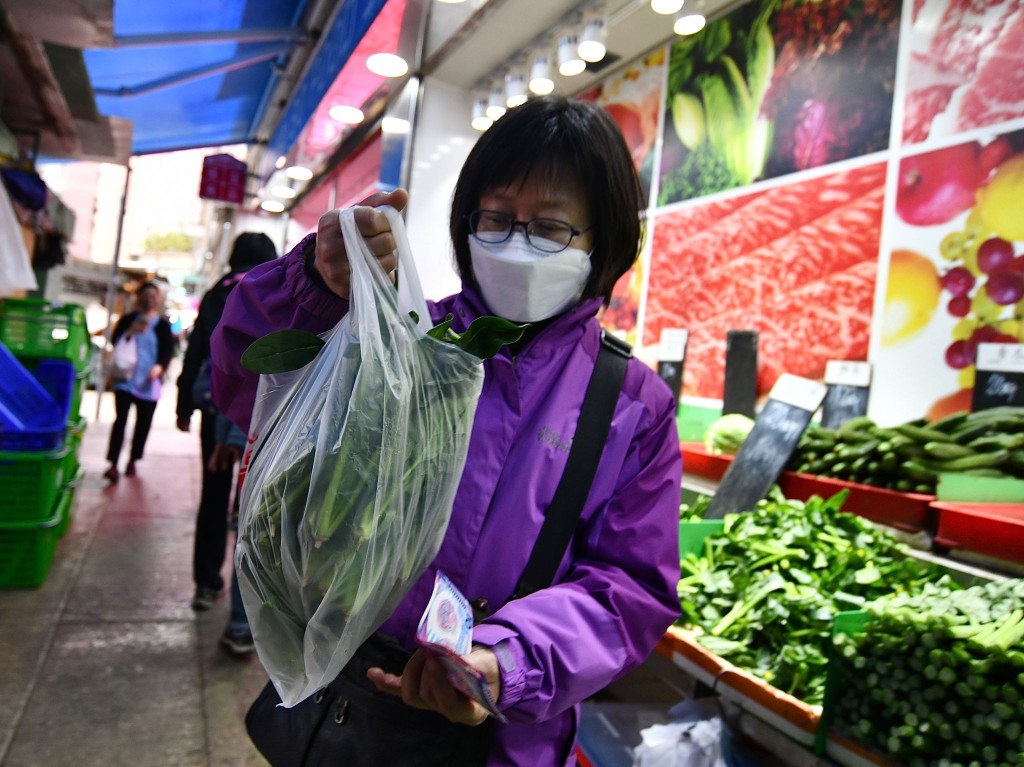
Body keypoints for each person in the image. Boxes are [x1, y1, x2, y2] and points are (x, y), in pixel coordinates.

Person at [211, 96, 682, 765]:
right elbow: (245, 383)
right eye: (497, 218)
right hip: (346, 702)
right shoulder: (405, 341)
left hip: (497, 734)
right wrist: (317, 286)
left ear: (601, 242)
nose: (517, 244)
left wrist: (503, 662)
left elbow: (630, 589)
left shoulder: (632, 405)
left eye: (550, 228)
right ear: (468, 222)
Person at [176, 232, 278, 654]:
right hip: (262, 418)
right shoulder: (274, 292)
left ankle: (205, 584)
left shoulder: (218, 293)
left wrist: (184, 404)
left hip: (216, 414)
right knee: (253, 516)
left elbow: (198, 351)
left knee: (214, 500)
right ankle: (242, 624)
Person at [103, 281, 175, 483]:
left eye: (153, 296)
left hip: (149, 381)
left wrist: (159, 367)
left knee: (143, 423)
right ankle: (113, 463)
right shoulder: (128, 320)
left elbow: (168, 350)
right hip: (125, 379)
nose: (149, 300)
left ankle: (133, 459)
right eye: (146, 296)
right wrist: (131, 332)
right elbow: (115, 341)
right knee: (120, 420)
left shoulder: (161, 325)